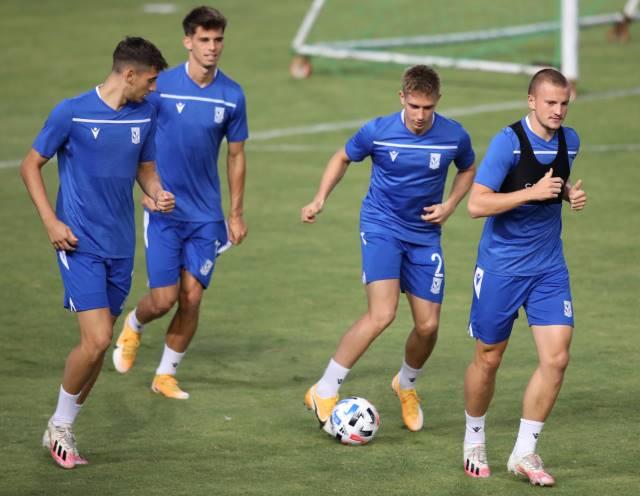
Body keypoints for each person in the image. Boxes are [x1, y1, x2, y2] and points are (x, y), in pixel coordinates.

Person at [20, 37, 172, 469]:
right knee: (99, 338)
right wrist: (51, 222)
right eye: (150, 80)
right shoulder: (71, 112)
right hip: (78, 242)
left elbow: (146, 168)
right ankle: (60, 426)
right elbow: (30, 165)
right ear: (129, 74)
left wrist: (157, 193)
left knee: (98, 348)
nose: (154, 89)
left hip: (120, 245)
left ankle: (63, 423)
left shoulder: (146, 112)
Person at [302, 65, 476, 433]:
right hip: (381, 227)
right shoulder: (378, 131)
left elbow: (468, 168)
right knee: (382, 314)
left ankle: (405, 385)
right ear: (402, 98)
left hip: (425, 235)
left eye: (427, 108)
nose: (420, 115)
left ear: (438, 101)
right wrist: (319, 198)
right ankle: (324, 388)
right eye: (414, 106)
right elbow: (342, 157)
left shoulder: (454, 136)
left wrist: (450, 204)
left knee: (428, 326)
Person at [112, 6, 248, 400]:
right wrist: (145, 191)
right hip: (164, 210)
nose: (212, 47)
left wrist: (235, 214)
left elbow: (236, 156)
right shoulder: (160, 87)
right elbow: (134, 137)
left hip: (205, 215)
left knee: (192, 296)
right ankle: (134, 325)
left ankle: (165, 375)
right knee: (163, 299)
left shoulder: (233, 95)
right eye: (204, 39)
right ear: (188, 41)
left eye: (218, 39)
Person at [461, 68, 587, 486]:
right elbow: (476, 205)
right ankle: (474, 438)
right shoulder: (508, 143)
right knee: (489, 357)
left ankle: (524, 452)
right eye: (550, 102)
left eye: (564, 103)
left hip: (549, 268)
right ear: (531, 101)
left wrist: (568, 194)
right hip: (501, 267)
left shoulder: (571, 141)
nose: (558, 110)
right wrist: (531, 193)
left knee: (557, 358)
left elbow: (554, 182)